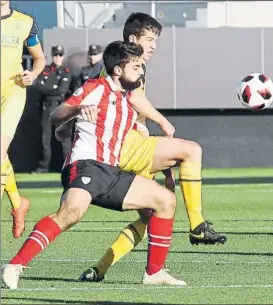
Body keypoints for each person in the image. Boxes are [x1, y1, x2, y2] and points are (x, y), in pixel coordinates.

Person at [55, 12, 227, 283]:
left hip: (121, 147)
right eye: (150, 39)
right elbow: (134, 97)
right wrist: (163, 122)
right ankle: (197, 225)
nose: (154, 46)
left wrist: (145, 127)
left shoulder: (125, 65)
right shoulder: (128, 64)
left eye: (156, 40)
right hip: (124, 146)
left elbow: (128, 103)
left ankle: (100, 269)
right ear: (133, 39)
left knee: (155, 214)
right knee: (191, 150)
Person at [1, 41, 187, 290]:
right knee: (71, 213)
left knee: (165, 201)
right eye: (135, 67)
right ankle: (14, 265)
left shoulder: (127, 102)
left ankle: (154, 272)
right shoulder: (96, 87)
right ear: (118, 70)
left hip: (112, 171)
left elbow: (131, 140)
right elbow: (56, 116)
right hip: (86, 164)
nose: (141, 72)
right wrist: (77, 110)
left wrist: (164, 169)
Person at [1, 0, 46, 237]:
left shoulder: (25, 22)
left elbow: (39, 59)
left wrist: (34, 74)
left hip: (13, 93)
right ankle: (19, 204)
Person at [32, 45, 73, 173]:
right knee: (45, 138)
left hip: (60, 107)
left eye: (60, 55)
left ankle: (68, 166)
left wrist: (50, 88)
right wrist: (53, 89)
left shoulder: (66, 71)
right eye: (55, 55)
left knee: (64, 138)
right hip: (46, 107)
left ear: (63, 56)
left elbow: (62, 89)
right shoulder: (46, 70)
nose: (57, 57)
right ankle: (43, 167)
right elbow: (39, 86)